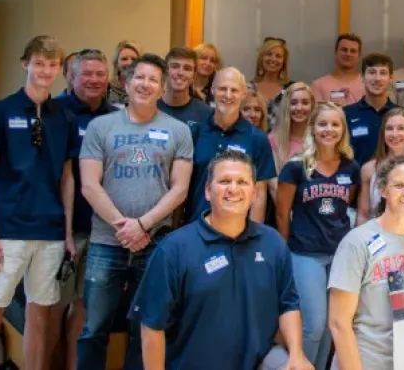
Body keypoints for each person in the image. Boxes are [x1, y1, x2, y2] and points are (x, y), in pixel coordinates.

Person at [128, 150, 311, 370]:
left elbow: (288, 304)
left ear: (254, 193)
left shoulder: (273, 243)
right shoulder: (174, 249)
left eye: (242, 182)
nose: (233, 189)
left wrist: (297, 354)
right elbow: (152, 325)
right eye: (224, 181)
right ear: (207, 191)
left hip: (258, 361)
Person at [77, 53, 194, 370]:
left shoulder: (178, 131)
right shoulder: (100, 127)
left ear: (162, 87)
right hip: (106, 242)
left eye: (153, 80)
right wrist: (124, 227)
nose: (146, 84)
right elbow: (89, 185)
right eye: (139, 78)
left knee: (145, 328)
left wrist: (142, 226)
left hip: (154, 245)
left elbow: (180, 189)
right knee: (94, 329)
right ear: (126, 84)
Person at [0, 36, 77, 370]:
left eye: (53, 64)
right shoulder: (0, 112)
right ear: (25, 63)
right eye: (39, 63)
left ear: (60, 69)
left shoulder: (64, 117)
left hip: (50, 232)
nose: (46, 70)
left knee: (41, 315)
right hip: (7, 231)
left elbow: (67, 178)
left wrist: (69, 232)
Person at [329, 154, 404, 370]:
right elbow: (338, 324)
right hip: (364, 360)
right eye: (399, 186)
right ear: (383, 190)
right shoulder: (356, 242)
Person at [275, 102, 359, 370]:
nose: (329, 129)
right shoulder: (296, 167)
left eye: (335, 124)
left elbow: (346, 209)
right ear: (313, 128)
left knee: (332, 327)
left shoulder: (351, 168)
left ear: (343, 130)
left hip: (339, 256)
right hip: (305, 254)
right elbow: (281, 213)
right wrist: (287, 251)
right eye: (322, 124)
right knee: (314, 326)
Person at [52, 48, 117, 370]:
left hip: (101, 231)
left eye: (99, 74)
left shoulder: (116, 117)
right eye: (86, 74)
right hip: (61, 230)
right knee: (49, 308)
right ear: (71, 76)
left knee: (84, 308)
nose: (94, 80)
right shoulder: (55, 112)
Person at [186, 68, 275, 223]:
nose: (228, 95)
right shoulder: (195, 133)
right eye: (222, 89)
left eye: (234, 90)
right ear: (213, 90)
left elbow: (259, 195)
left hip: (239, 234)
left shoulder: (257, 139)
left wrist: (253, 237)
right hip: (197, 227)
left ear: (243, 94)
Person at [356, 108, 404, 224]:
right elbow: (363, 214)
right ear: (382, 133)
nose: (394, 134)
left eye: (401, 128)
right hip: (376, 236)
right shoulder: (368, 169)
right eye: (389, 128)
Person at [343, 53, 400, 167]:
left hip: (395, 182)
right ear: (362, 77)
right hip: (356, 183)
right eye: (372, 72)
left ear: (391, 79)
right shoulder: (345, 114)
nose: (377, 78)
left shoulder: (403, 116)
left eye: (383, 73)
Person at [157, 47, 214, 129]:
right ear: (165, 71)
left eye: (187, 68)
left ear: (194, 76)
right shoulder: (151, 109)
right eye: (175, 66)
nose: (180, 73)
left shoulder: (206, 114)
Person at [269, 82, 315, 173]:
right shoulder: (274, 138)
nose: (299, 108)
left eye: (305, 103)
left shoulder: (320, 136)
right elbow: (273, 181)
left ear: (312, 106)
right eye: (293, 103)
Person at [311, 33, 365, 107]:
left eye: (353, 51)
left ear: (359, 56)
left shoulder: (368, 85)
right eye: (344, 50)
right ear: (336, 52)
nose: (348, 54)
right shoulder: (318, 86)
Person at [251, 38, 295, 121]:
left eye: (278, 56)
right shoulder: (248, 89)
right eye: (269, 54)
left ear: (283, 62)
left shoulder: (292, 90)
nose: (273, 59)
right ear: (262, 58)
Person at [107, 40, 141, 108]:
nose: (129, 63)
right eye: (124, 59)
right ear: (116, 62)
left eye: (134, 59)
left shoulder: (145, 88)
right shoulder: (106, 88)